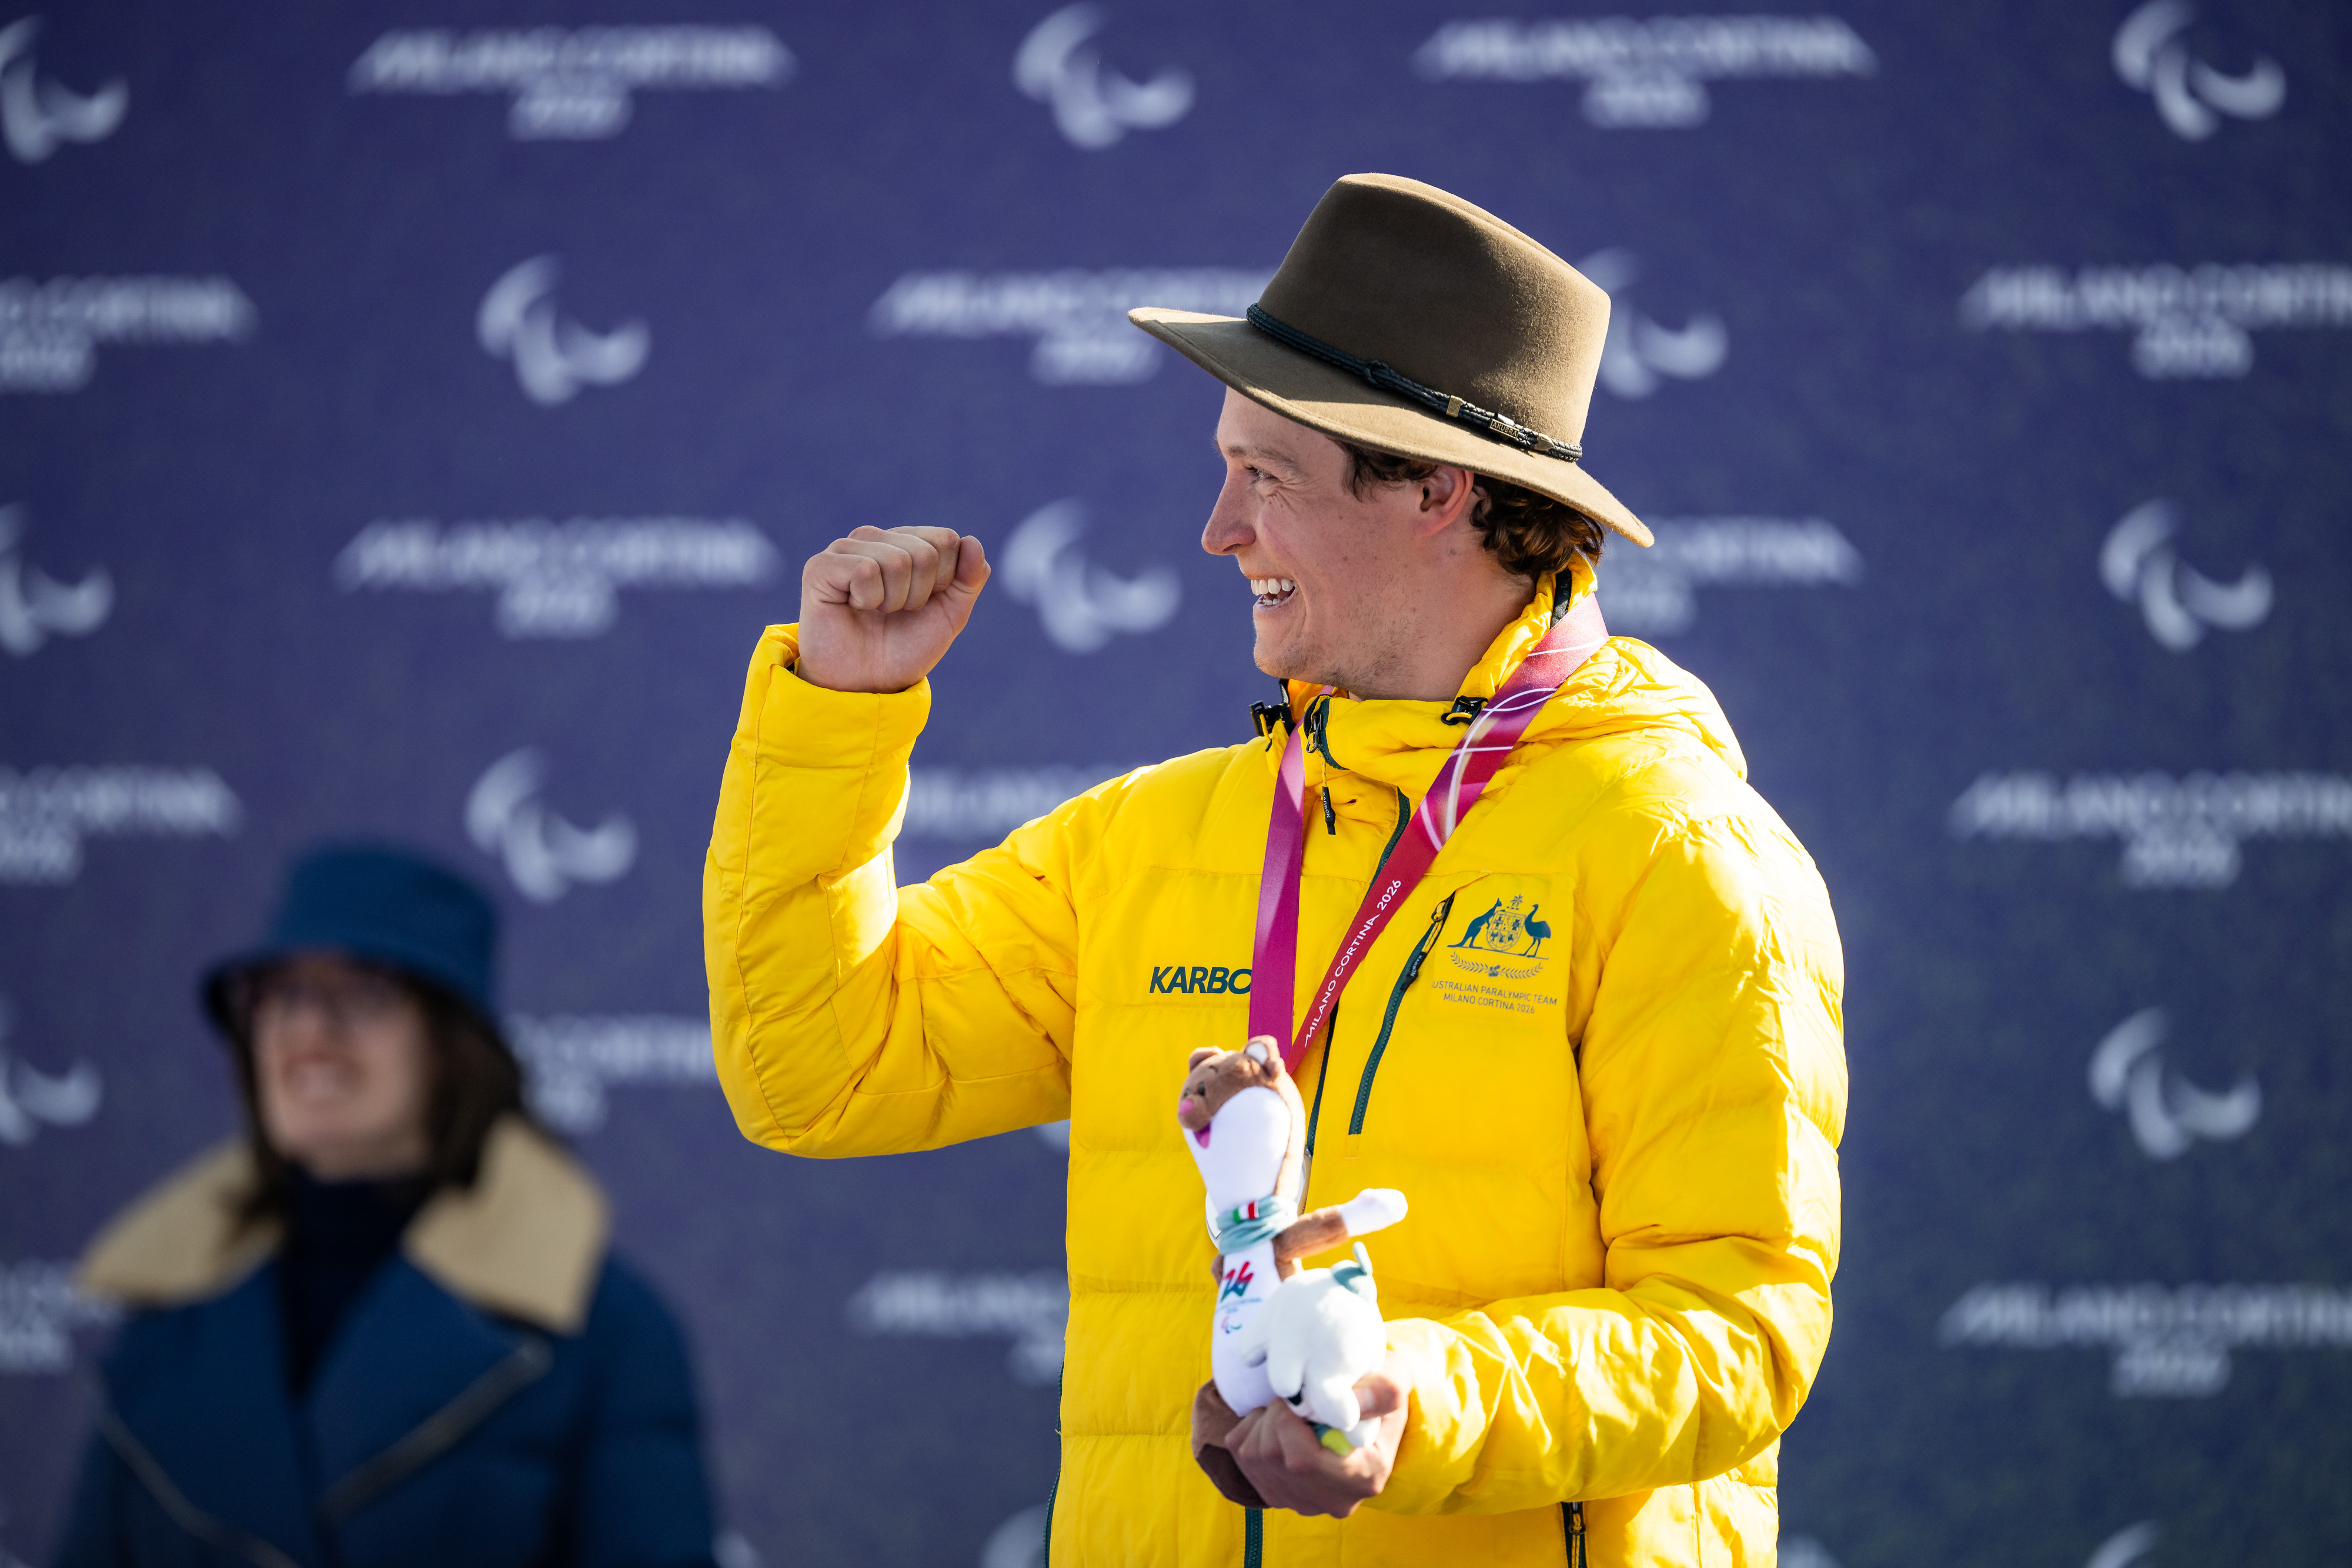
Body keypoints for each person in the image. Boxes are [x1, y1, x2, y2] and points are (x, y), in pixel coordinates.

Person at [704, 173, 1845, 1566]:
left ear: (1438, 489)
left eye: (1268, 477)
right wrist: (838, 710)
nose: (1216, 529)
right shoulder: (1146, 837)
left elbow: (1734, 1332)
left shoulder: (1678, 849)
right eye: (1224, 467)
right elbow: (817, 1071)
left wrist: (1409, 1404)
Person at [56, 843, 719, 1568]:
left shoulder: (606, 1331)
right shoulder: (169, 1314)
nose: (308, 1033)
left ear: (451, 1042)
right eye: (281, 995)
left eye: (360, 993)